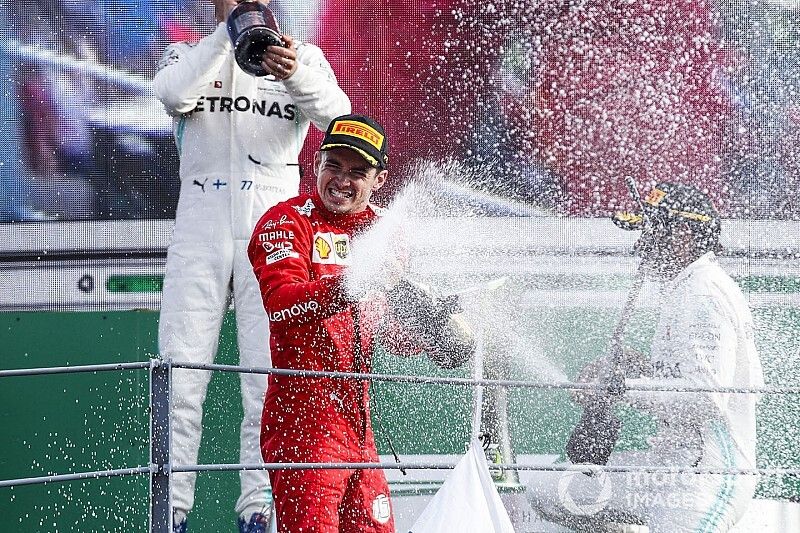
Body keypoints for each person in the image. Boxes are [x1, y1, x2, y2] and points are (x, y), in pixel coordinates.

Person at [152, 0, 350, 530]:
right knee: (179, 375)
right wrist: (227, 35)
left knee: (266, 379)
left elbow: (341, 120)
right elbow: (172, 95)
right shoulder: (188, 54)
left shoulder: (302, 58)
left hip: (275, 235)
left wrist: (295, 73)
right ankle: (169, 513)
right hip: (199, 228)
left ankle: (259, 511)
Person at [247, 114, 476, 532]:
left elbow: (387, 330)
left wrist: (433, 334)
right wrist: (350, 284)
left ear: (380, 179)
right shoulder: (284, 220)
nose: (342, 179)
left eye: (358, 171)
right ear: (315, 163)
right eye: (333, 165)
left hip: (359, 428)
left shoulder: (386, 230)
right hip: (304, 428)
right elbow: (280, 306)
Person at [527, 183, 764, 532]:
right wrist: (635, 366)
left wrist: (620, 387)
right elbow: (679, 377)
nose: (642, 246)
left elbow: (706, 400)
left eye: (652, 232)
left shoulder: (702, 295)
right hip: (664, 471)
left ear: (683, 235)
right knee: (548, 491)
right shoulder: (685, 289)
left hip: (705, 478)